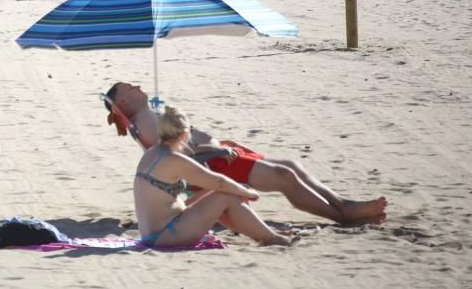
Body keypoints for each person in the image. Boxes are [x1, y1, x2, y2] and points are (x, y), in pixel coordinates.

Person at [106, 83, 388, 225]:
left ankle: (343, 204)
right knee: (284, 176)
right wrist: (215, 148)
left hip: (218, 155)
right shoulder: (145, 120)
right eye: (131, 86)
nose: (138, 86)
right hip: (215, 163)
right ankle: (342, 215)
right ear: (123, 100)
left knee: (291, 165)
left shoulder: (145, 116)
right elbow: (179, 155)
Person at [133, 105, 293, 247]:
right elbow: (218, 182)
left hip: (154, 232)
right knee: (227, 195)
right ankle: (271, 238)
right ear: (184, 135)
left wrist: (217, 153)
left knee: (220, 193)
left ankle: (261, 232)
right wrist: (248, 192)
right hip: (166, 235)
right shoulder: (174, 159)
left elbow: (190, 155)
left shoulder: (152, 153)